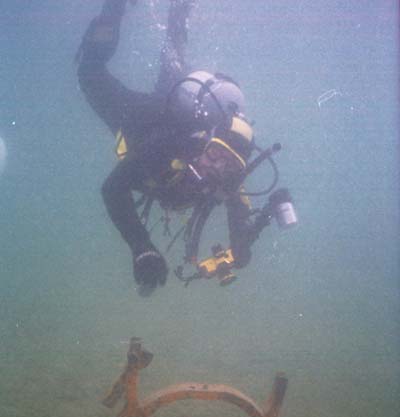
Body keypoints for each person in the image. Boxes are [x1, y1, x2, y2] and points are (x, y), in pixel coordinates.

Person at [76, 0, 294, 294]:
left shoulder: (230, 182)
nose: (217, 168)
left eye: (229, 165)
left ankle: (178, 14)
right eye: (215, 154)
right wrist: (142, 247)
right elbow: (113, 188)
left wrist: (265, 216)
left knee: (172, 63)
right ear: (203, 142)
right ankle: (115, 9)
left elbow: (241, 253)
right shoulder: (166, 146)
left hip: (176, 111)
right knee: (89, 73)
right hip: (144, 120)